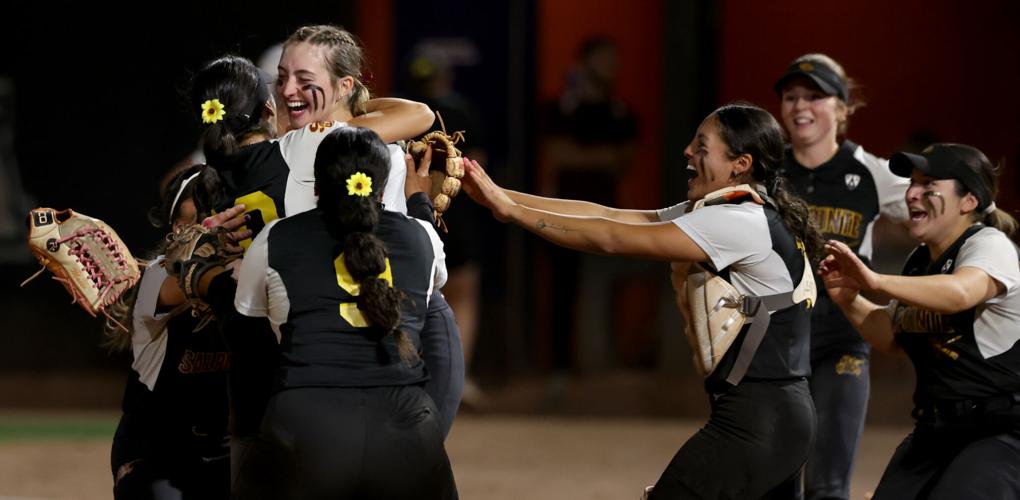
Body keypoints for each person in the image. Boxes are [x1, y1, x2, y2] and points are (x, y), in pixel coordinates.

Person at [463, 103, 821, 498]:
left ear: (740, 163)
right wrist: (497, 195)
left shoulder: (736, 222)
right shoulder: (736, 211)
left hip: (760, 420)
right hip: (775, 416)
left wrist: (512, 212)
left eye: (702, 146)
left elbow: (610, 238)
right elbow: (608, 215)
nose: (688, 151)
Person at [217, 127, 456, 498]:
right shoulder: (421, 236)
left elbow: (248, 348)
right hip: (406, 432)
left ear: (316, 185)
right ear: (381, 185)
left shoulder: (275, 238)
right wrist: (419, 202)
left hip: (307, 429)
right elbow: (433, 296)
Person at [276, 24, 465, 436]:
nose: (288, 89)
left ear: (342, 84)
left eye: (305, 81)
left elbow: (419, 113)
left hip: (397, 323)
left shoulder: (320, 141)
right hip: (381, 322)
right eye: (282, 77)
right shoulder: (336, 137)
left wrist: (346, 107)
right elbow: (421, 113)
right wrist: (347, 100)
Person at [819, 143, 1020, 499]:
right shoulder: (921, 260)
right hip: (936, 429)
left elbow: (960, 292)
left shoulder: (990, 244)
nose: (912, 194)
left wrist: (875, 280)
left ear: (969, 200)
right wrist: (848, 299)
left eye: (929, 186)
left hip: (1000, 432)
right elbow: (892, 336)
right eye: (912, 184)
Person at [772, 53, 910, 500]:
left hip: (840, 342)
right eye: (791, 97)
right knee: (774, 488)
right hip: (775, 346)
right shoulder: (767, 173)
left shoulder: (871, 171)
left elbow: (943, 203)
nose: (799, 106)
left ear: (842, 109)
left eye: (815, 95)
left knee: (829, 488)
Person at [107, 165, 234, 499]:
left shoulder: (242, 268)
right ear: (178, 227)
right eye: (201, 217)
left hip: (222, 452)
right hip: (155, 454)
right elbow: (192, 286)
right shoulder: (156, 278)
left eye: (219, 213)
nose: (212, 224)